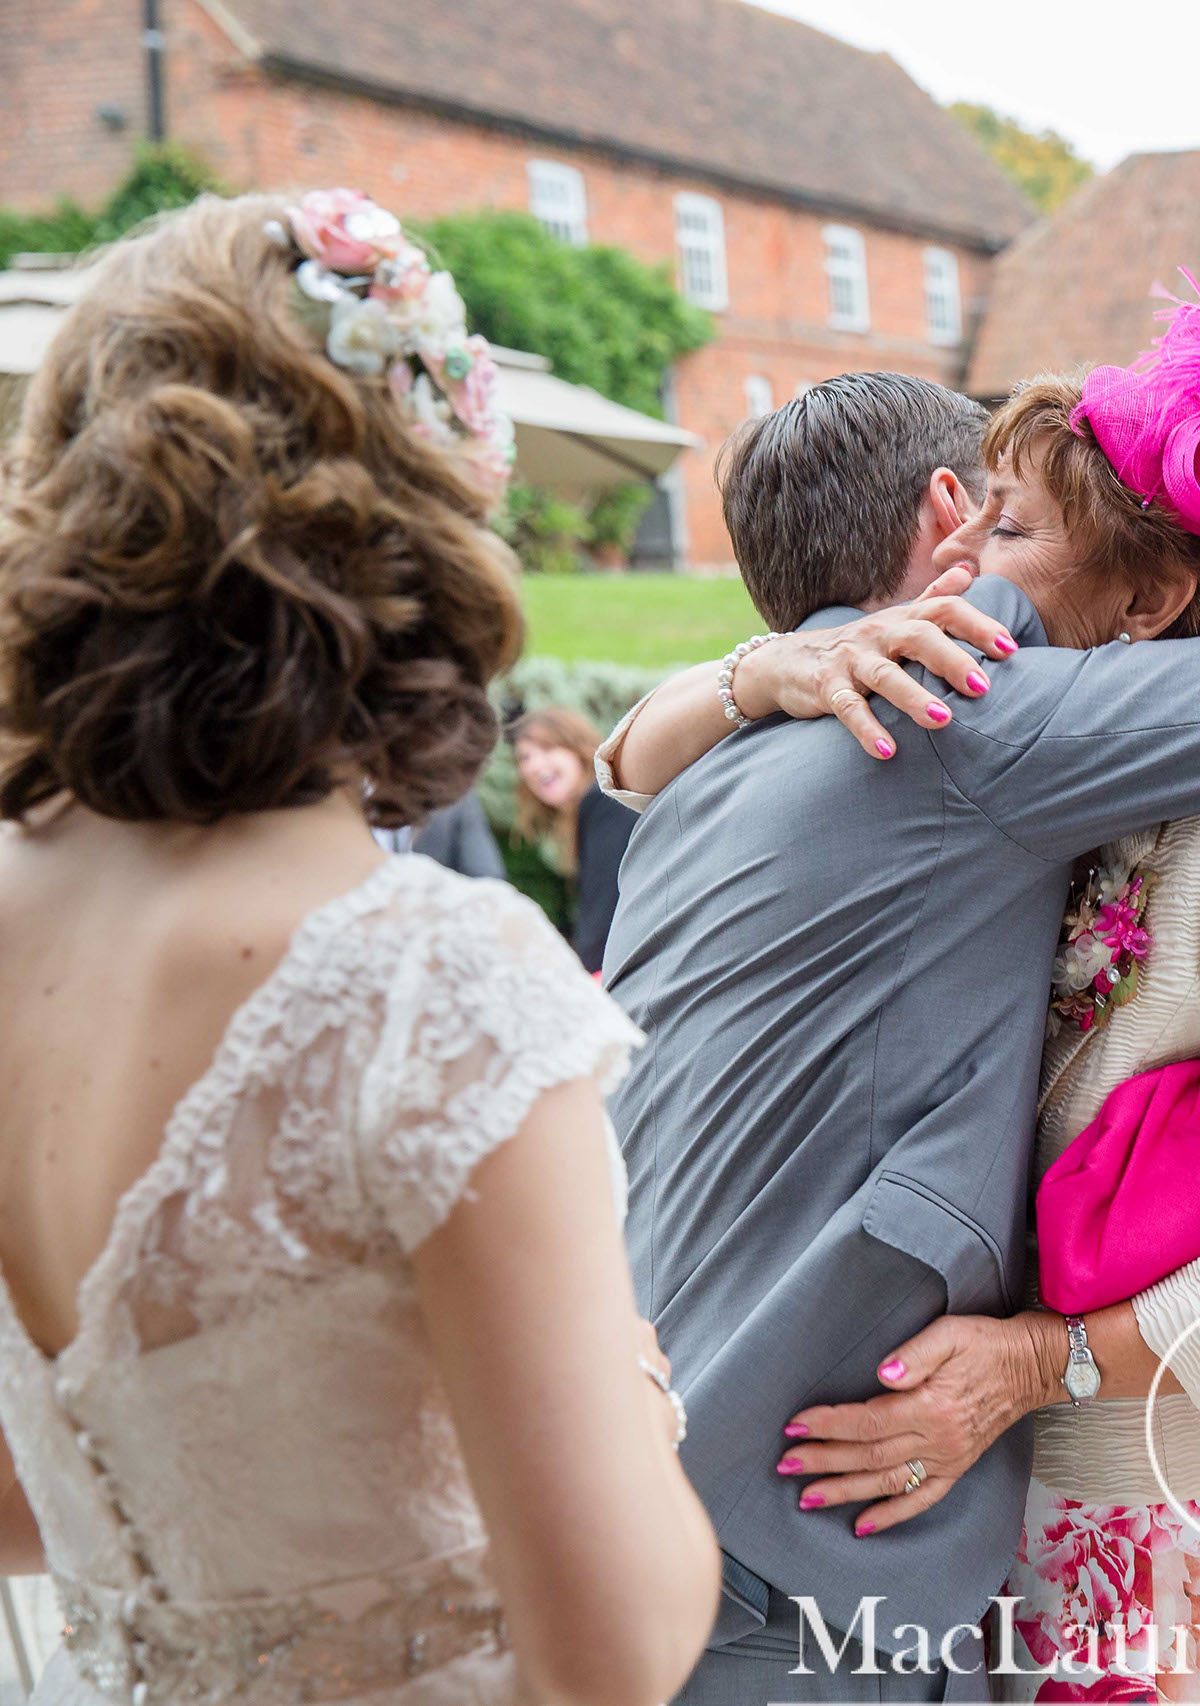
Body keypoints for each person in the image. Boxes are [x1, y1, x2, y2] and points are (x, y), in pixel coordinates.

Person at [619, 267, 1200, 1703]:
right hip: (1002, 1560)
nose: (979, 556)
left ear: (1153, 595)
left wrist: (1040, 1364)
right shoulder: (995, 762)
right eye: (977, 516)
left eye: (1016, 527)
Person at [0, 190, 719, 1703]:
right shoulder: (426, 981)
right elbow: (618, 1650)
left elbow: (45, 1487)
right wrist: (634, 1399)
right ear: (424, 524)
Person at [513, 705, 636, 972]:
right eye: (524, 758)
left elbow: (603, 914)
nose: (534, 766)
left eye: (547, 749)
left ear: (577, 749)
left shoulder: (606, 804)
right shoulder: (591, 808)